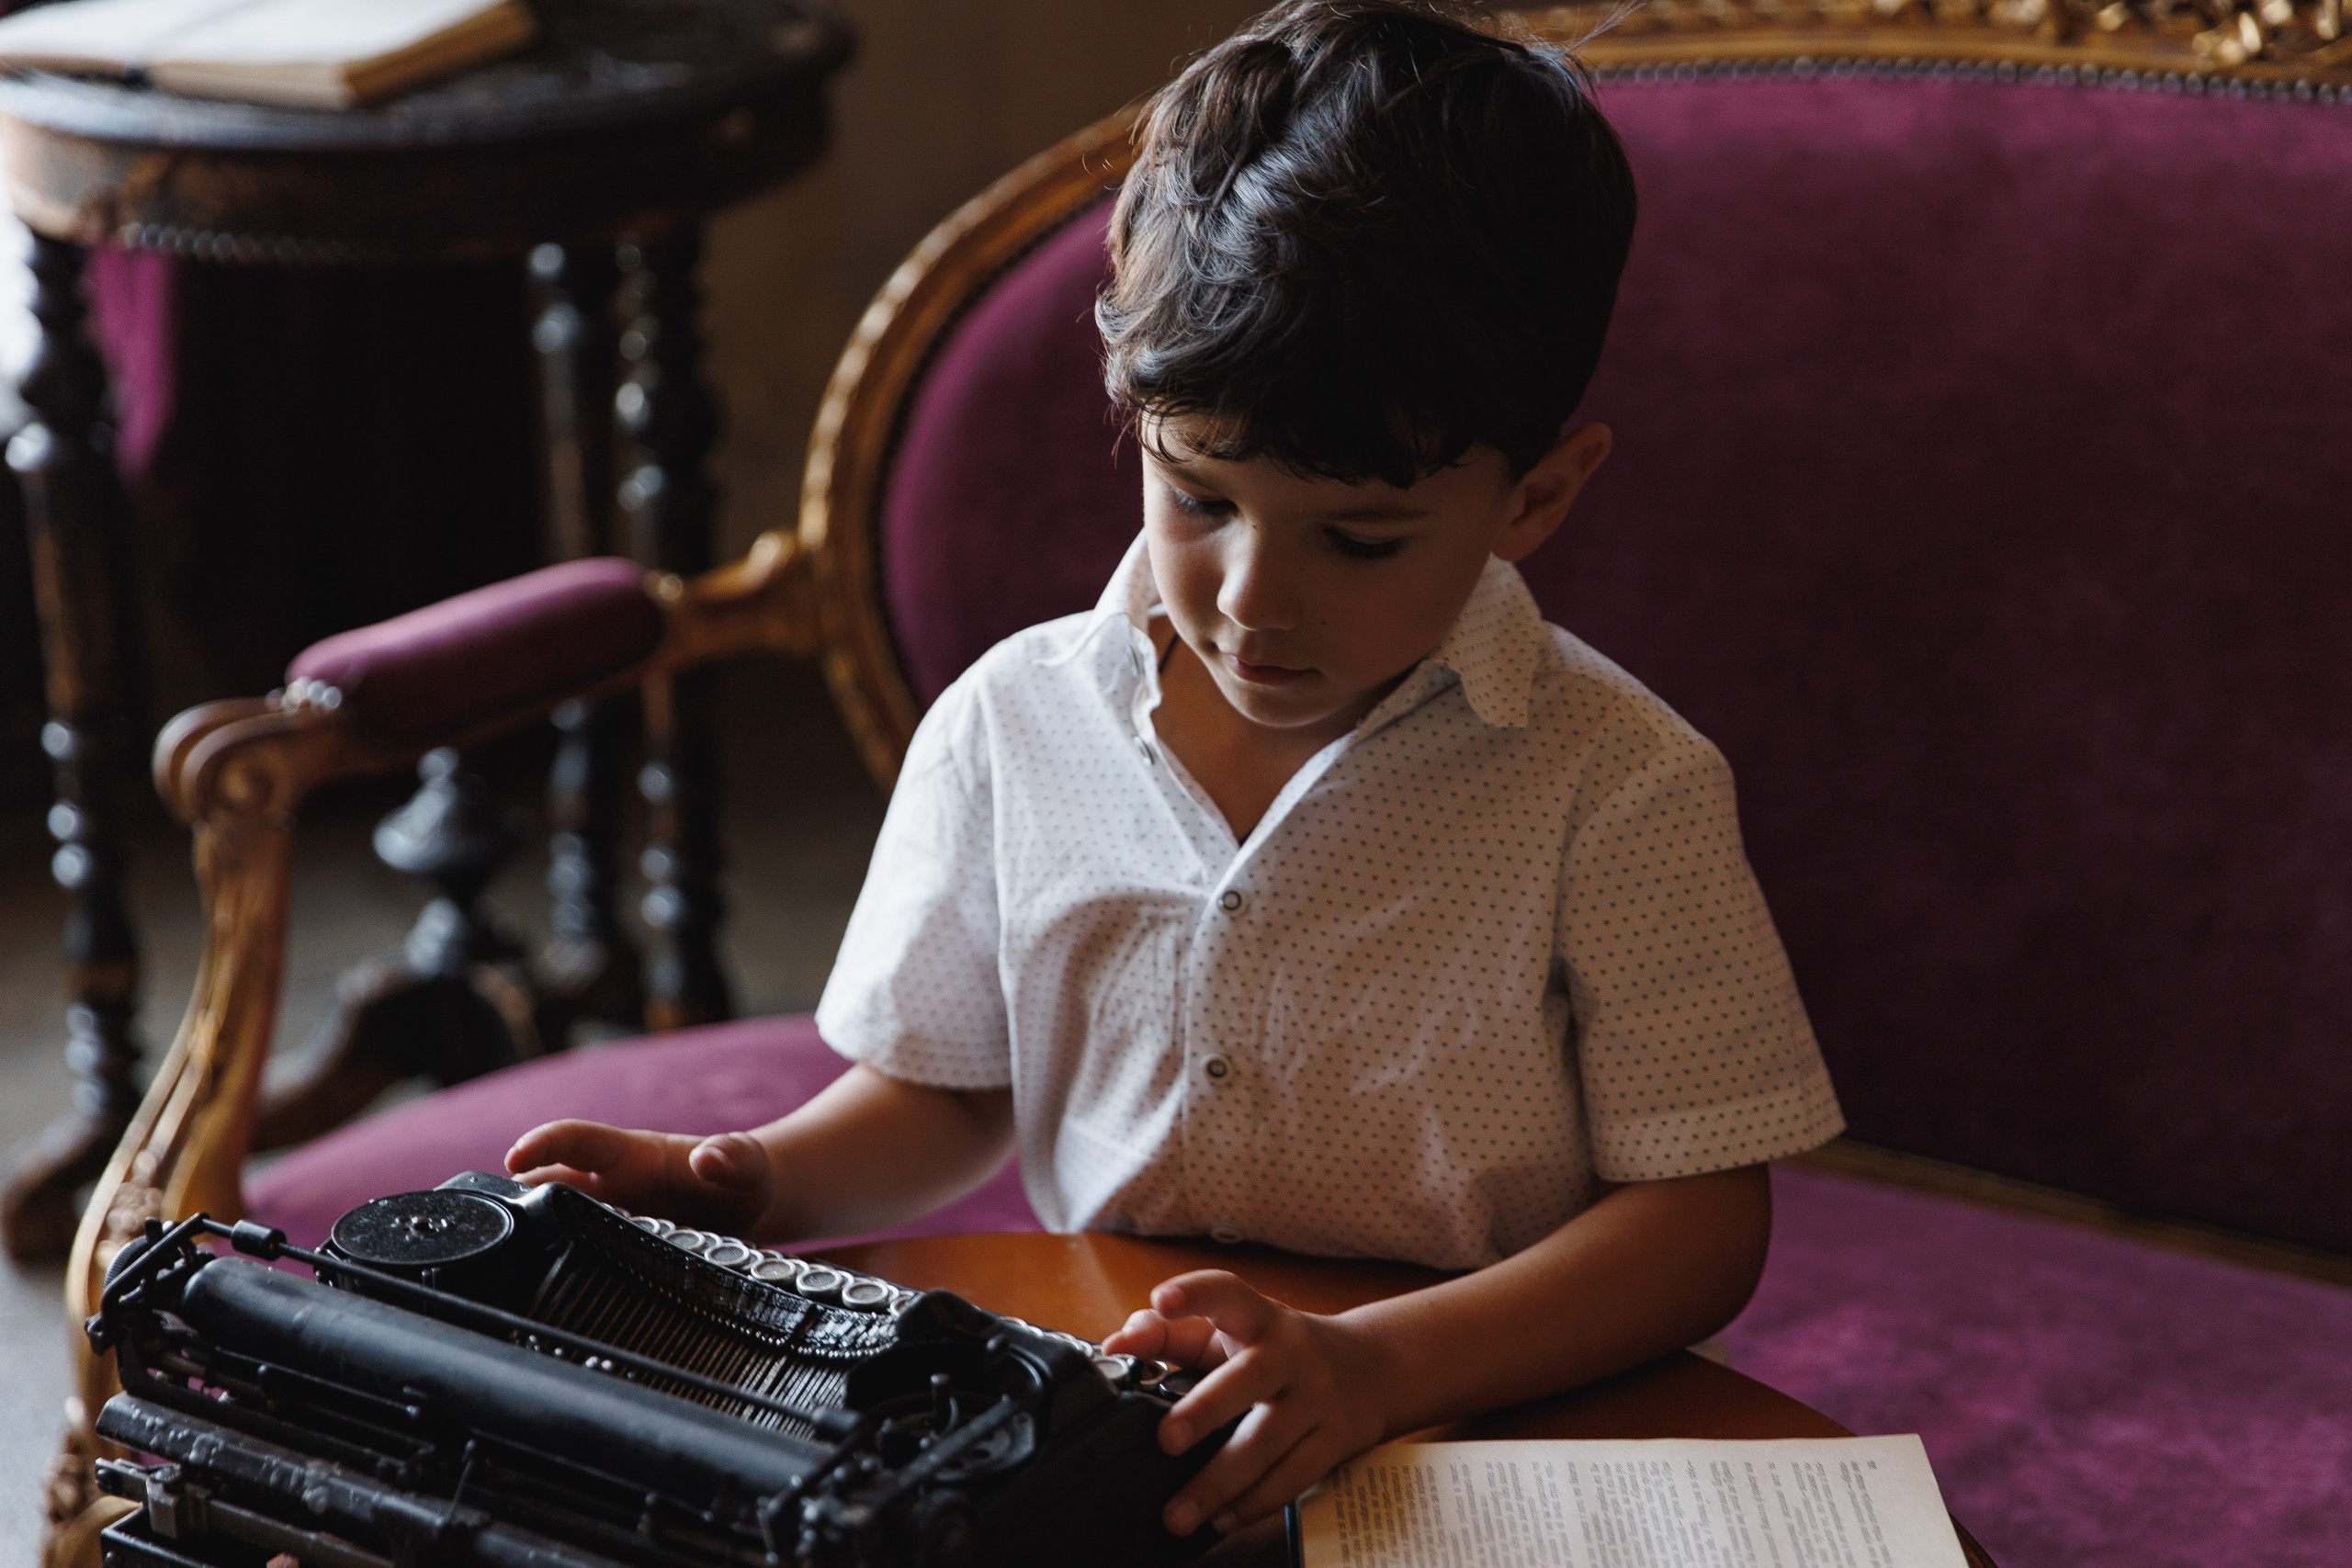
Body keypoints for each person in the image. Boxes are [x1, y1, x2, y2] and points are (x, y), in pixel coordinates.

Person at [506, 0, 1844, 1541]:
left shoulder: (1619, 786)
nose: (1255, 599)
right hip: (1122, 1417)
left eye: (1359, 537)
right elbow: (947, 1092)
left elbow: (1699, 1224)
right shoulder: (1013, 728)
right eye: (1197, 494)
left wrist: (1370, 1367)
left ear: (1536, 494)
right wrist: (751, 1183)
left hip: (1493, 1427)